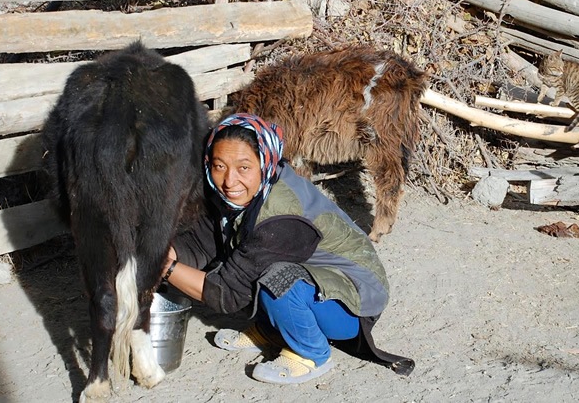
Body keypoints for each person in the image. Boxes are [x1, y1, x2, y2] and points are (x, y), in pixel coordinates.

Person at [162, 113, 414, 384]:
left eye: (244, 167)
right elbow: (202, 242)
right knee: (251, 263)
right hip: (313, 280)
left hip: (351, 306)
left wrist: (163, 268)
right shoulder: (241, 194)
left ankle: (312, 353)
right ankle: (276, 330)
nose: (229, 181)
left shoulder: (282, 213)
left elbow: (229, 294)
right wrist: (163, 253)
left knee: (276, 278)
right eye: (219, 165)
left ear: (265, 162)